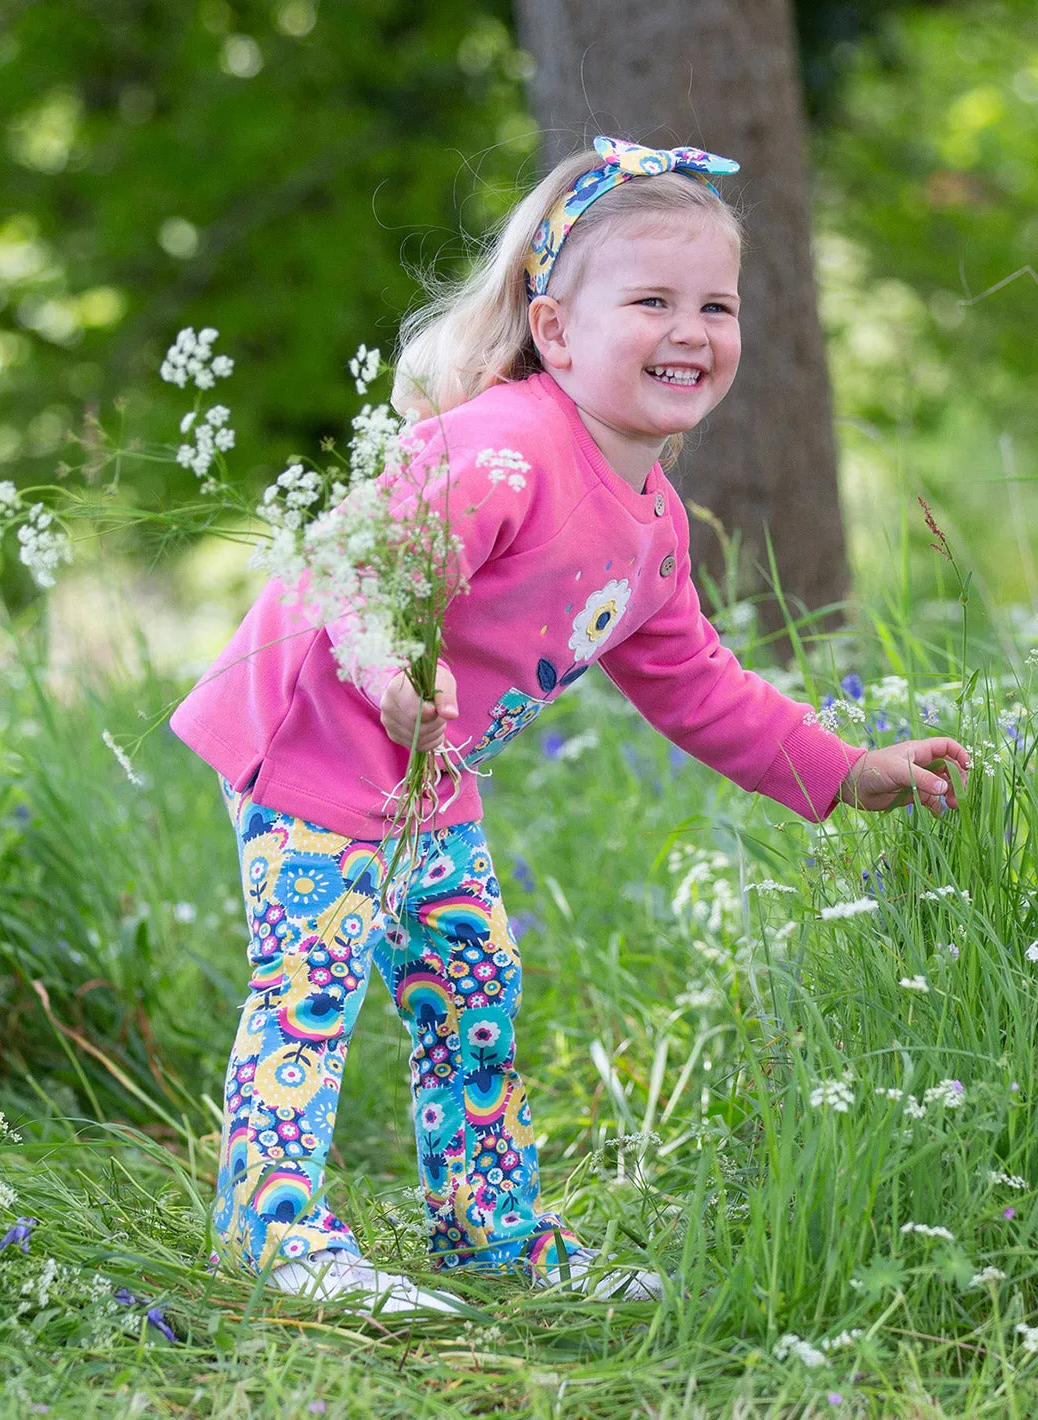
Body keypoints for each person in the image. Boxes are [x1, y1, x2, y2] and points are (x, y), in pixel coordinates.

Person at [170, 135, 970, 1314]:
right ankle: (271, 1228)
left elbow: (702, 684)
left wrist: (847, 767)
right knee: (314, 979)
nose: (691, 328)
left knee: (473, 975)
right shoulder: (501, 452)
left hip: (424, 778)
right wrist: (395, 674)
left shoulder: (651, 521)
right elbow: (355, 572)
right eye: (652, 300)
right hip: (312, 743)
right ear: (556, 330)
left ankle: (487, 1230)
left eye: (716, 303)